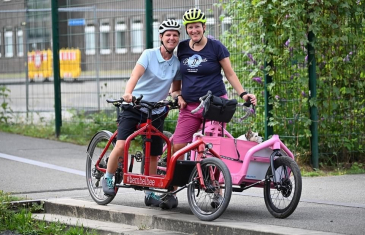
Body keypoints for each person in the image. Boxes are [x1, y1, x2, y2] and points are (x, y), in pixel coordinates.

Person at [161, 8, 258, 210]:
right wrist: (176, 95)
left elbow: (230, 74)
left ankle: (215, 190)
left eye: (197, 26)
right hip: (190, 106)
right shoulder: (183, 49)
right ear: (187, 30)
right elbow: (177, 80)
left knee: (211, 146)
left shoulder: (216, 47)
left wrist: (243, 94)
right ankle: (171, 190)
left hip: (215, 105)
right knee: (179, 146)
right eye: (190, 27)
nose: (194, 30)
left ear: (204, 27)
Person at [102, 19, 182, 208]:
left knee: (154, 153)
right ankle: (108, 177)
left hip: (156, 110)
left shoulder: (177, 63)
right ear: (161, 37)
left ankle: (150, 191)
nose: (171, 38)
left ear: (178, 38)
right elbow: (134, 77)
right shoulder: (149, 55)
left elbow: (175, 89)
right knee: (122, 145)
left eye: (175, 35)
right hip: (135, 107)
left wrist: (177, 97)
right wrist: (128, 93)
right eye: (168, 35)